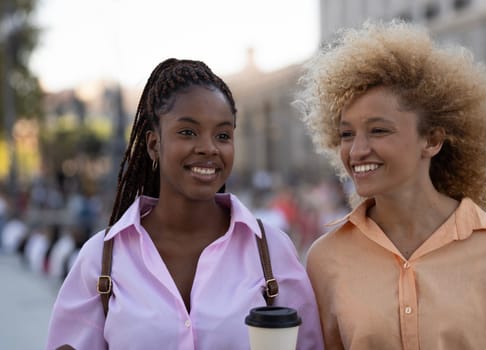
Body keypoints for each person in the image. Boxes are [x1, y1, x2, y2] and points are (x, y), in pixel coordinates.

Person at [46, 58, 323, 350]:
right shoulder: (101, 260)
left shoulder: (271, 252)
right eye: (188, 132)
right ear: (154, 144)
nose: (208, 147)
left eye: (223, 135)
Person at [296, 20, 486, 349]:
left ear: (431, 140)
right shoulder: (325, 258)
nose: (357, 150)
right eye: (346, 134)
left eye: (378, 130)